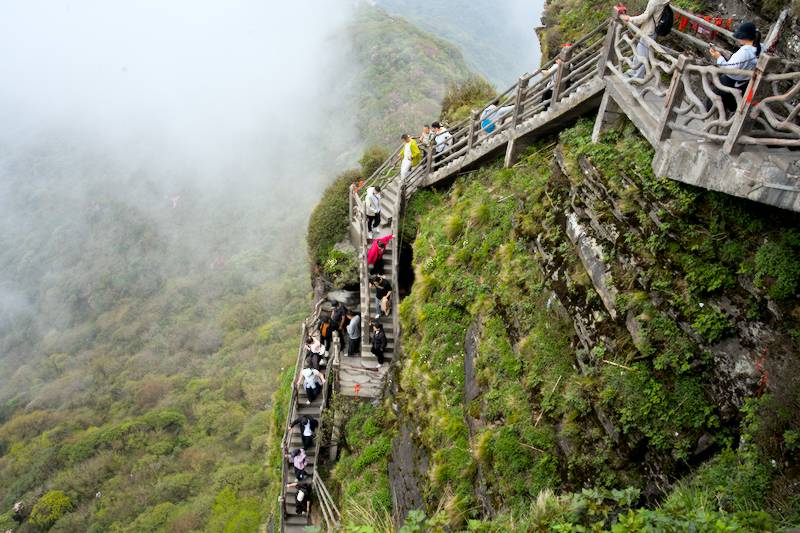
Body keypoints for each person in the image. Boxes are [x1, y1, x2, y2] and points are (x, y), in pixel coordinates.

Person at [707, 22, 761, 113]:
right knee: (731, 106)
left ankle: (712, 122)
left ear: (745, 37)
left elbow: (729, 69)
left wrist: (718, 57)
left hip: (729, 81)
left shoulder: (745, 51)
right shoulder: (761, 48)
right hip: (744, 84)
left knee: (712, 103)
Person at [620, 0, 671, 79]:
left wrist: (630, 18)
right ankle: (634, 71)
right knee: (639, 51)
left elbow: (644, 17)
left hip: (649, 32)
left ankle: (638, 76)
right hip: (651, 30)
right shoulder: (662, 1)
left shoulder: (654, 2)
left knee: (643, 55)